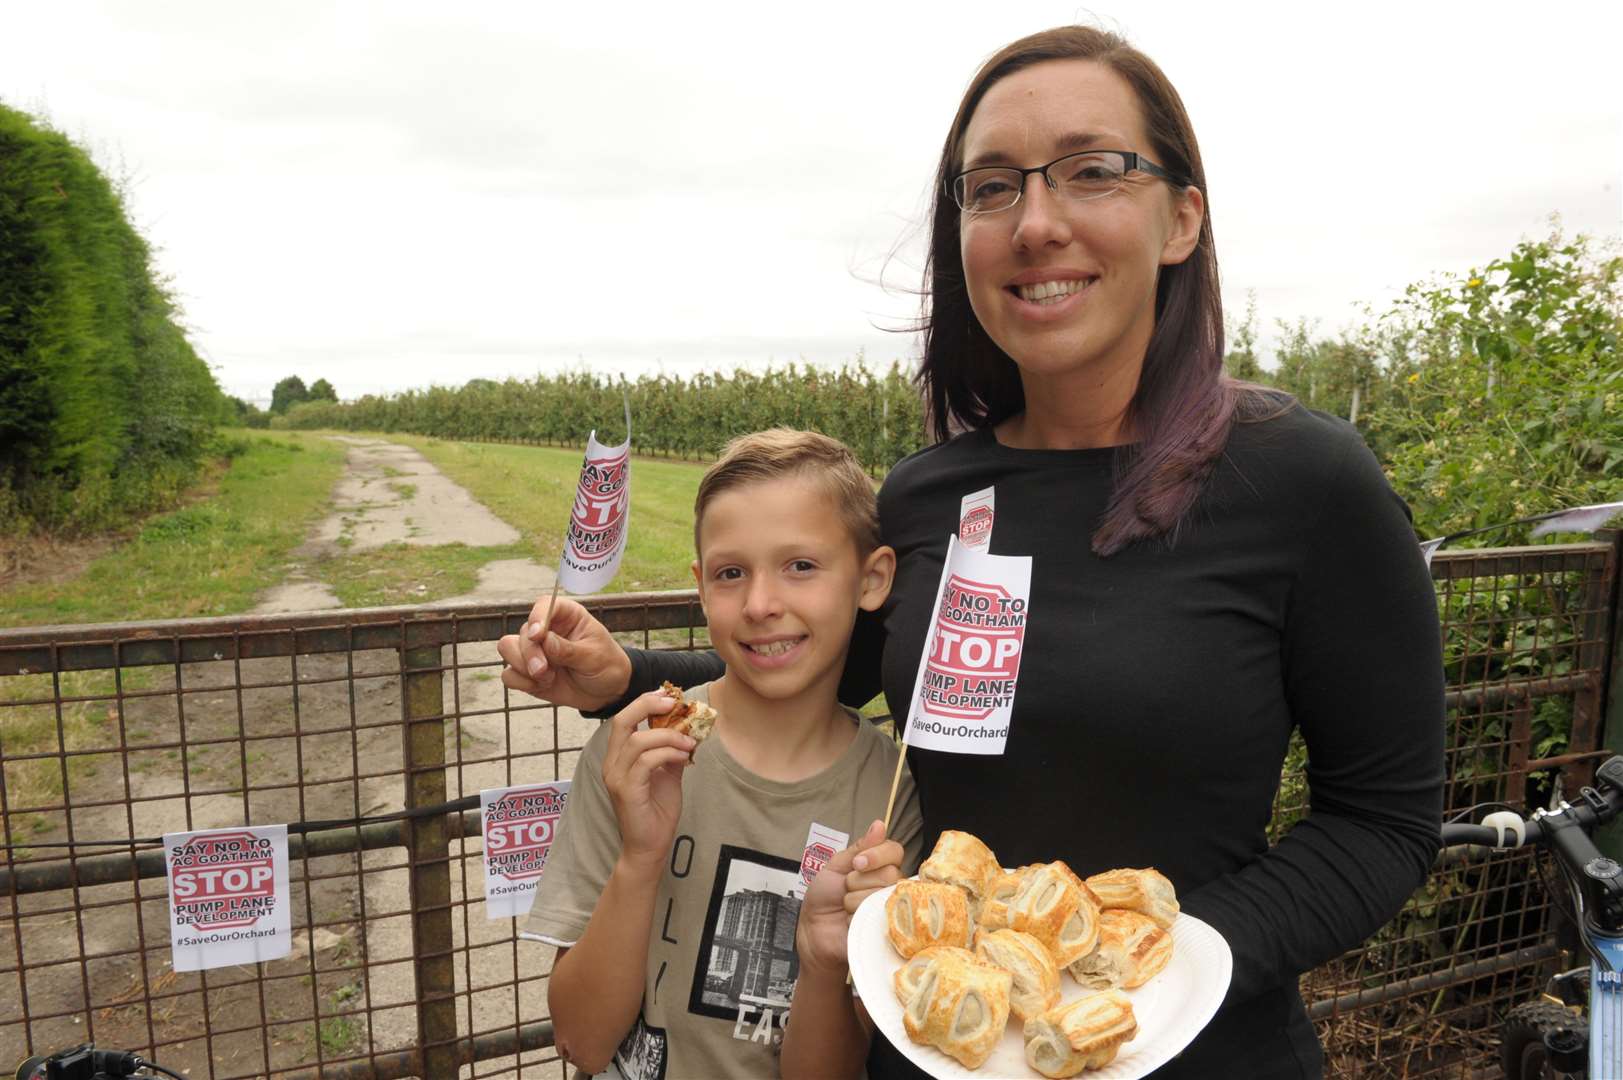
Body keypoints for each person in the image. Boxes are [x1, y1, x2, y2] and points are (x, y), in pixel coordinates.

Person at [501, 25, 1443, 1079]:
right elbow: (823, 682)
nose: (1036, 222)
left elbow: (1384, 822)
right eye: (991, 188)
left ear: (1181, 218)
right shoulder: (928, 498)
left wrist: (1170, 967)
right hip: (940, 1046)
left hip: (1192, 1052)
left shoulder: (1305, 484)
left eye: (1092, 172)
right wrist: (625, 677)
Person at [519, 429, 926, 1080]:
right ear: (701, 589)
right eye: (731, 573)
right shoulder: (639, 753)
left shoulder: (889, 795)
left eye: (801, 566)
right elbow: (581, 1041)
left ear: (871, 578)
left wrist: (824, 963)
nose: (762, 605)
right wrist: (640, 857)